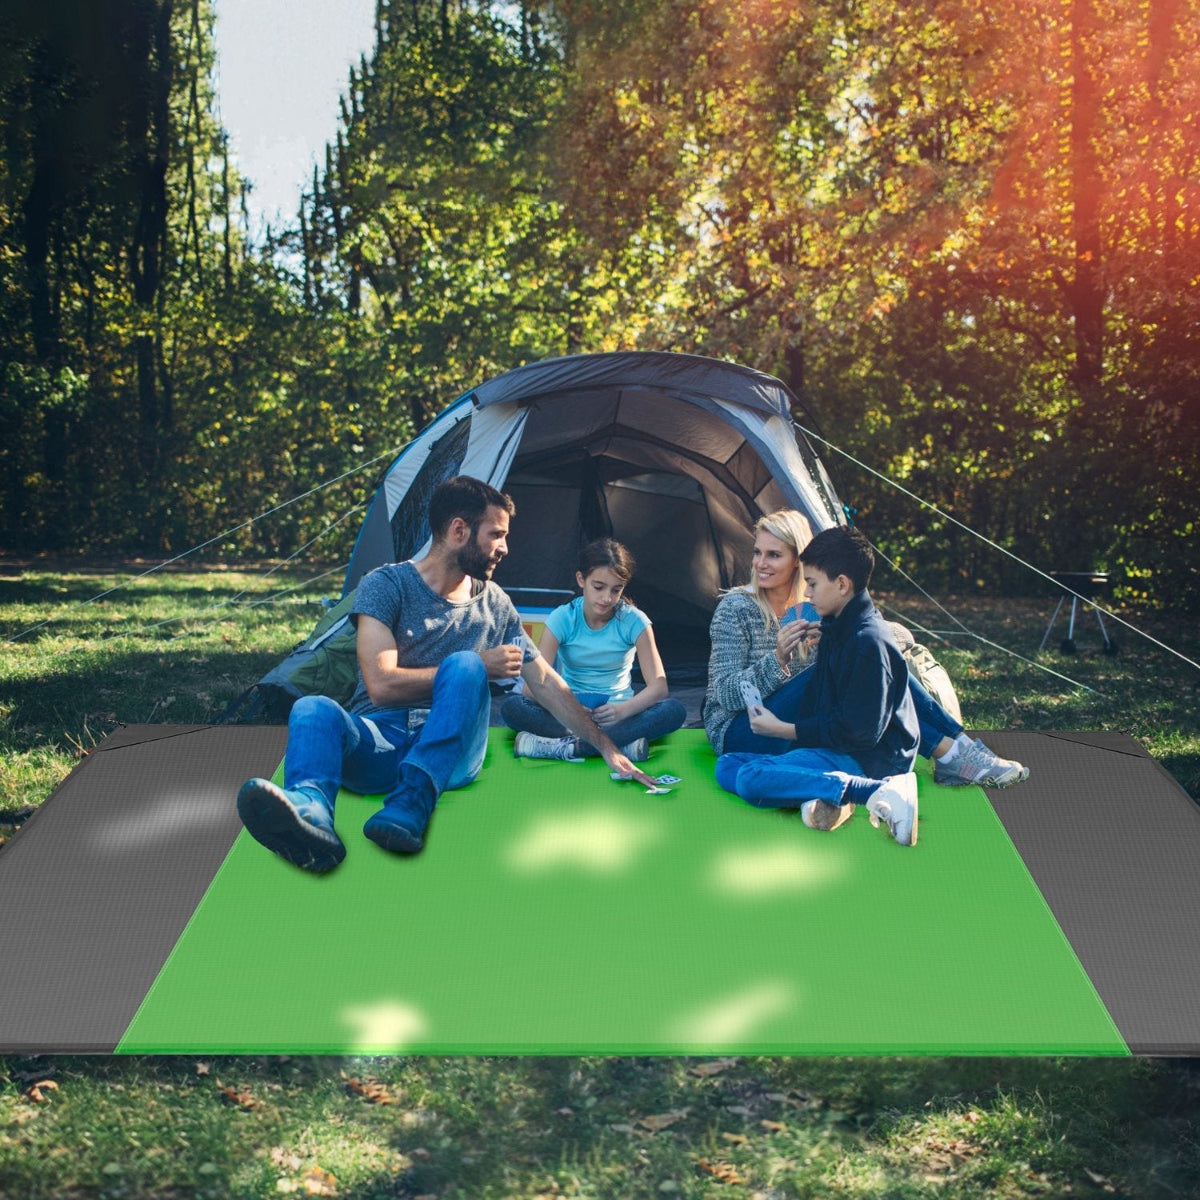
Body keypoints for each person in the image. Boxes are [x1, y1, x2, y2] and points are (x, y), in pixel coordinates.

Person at [236, 476, 655, 873]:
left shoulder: (496, 604)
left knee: (466, 664)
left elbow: (545, 681)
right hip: (383, 739)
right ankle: (311, 819)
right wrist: (486, 664)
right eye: (496, 534)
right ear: (459, 530)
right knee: (312, 708)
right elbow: (380, 686)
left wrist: (603, 745)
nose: (505, 547)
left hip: (454, 752)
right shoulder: (386, 585)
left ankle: (413, 802)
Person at [704, 509, 1029, 787]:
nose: (761, 563)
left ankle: (959, 747)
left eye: (774, 555)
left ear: (799, 562)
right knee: (860, 667)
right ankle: (952, 753)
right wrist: (777, 661)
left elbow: (887, 638)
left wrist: (838, 638)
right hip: (743, 730)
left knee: (880, 665)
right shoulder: (736, 608)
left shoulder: (821, 602)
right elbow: (726, 695)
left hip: (804, 724)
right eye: (757, 552)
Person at [714, 525, 921, 844]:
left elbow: (859, 733)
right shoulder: (836, 624)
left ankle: (877, 791)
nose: (807, 593)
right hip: (838, 744)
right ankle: (828, 791)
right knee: (728, 764)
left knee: (750, 779)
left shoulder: (867, 642)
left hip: (868, 758)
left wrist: (785, 731)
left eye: (811, 584)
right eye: (758, 552)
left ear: (841, 584)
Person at [501, 538, 687, 762]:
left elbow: (659, 687)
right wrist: (572, 708)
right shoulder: (563, 618)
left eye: (616, 590)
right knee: (512, 707)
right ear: (581, 579)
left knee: (673, 711)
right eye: (598, 587)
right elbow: (533, 686)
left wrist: (621, 711)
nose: (607, 598)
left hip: (619, 716)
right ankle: (619, 744)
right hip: (569, 715)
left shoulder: (634, 621)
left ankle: (571, 747)